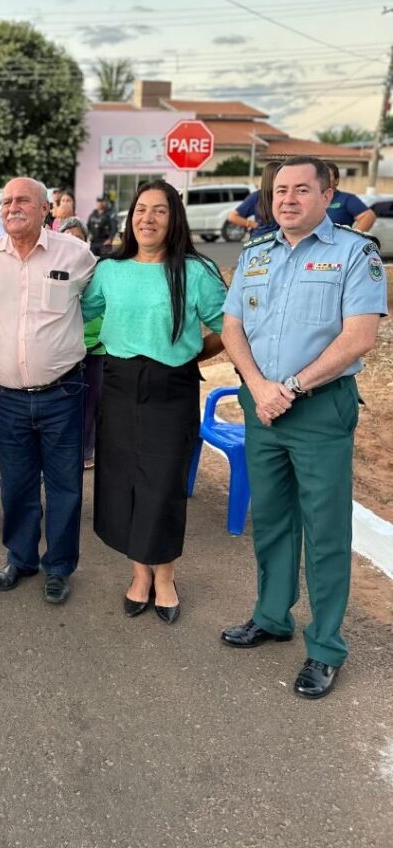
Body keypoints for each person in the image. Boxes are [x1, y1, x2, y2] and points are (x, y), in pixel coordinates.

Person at [221, 155, 387, 698]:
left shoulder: (354, 253)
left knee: (325, 530)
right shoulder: (256, 253)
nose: (286, 199)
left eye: (300, 189)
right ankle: (272, 617)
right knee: (270, 520)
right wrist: (259, 387)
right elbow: (232, 328)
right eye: (279, 191)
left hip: (316, 410)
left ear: (327, 193)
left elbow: (360, 336)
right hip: (262, 406)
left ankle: (325, 647)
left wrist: (290, 387)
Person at [81, 180, 227, 625]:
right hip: (120, 383)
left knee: (162, 484)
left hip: (171, 388)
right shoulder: (110, 270)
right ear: (130, 218)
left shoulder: (196, 271)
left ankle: (165, 578)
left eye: (159, 211)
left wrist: (190, 354)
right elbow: (81, 315)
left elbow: (227, 326)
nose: (147, 218)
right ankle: (139, 574)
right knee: (123, 480)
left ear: (173, 218)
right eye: (141, 209)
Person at [0, 177, 96, 604]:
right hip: (9, 395)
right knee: (16, 483)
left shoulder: (76, 256)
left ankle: (59, 566)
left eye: (22, 200)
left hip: (62, 392)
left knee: (64, 485)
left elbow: (95, 306)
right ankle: (20, 559)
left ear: (45, 209)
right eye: (6, 201)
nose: (12, 207)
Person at [58, 216, 104, 470]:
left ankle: (87, 450)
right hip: (64, 348)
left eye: (79, 238)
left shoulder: (96, 268)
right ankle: (65, 448)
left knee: (91, 401)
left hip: (95, 347)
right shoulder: (52, 267)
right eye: (69, 237)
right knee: (65, 401)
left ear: (87, 242)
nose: (74, 242)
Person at [227, 161, 282, 238]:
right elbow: (232, 216)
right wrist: (250, 223)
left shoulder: (285, 196)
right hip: (261, 241)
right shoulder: (257, 197)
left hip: (281, 241)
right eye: (280, 176)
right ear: (270, 177)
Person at [325, 162, 376, 232]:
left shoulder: (346, 199)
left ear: (336, 180)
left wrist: (353, 237)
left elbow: (368, 216)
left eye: (327, 176)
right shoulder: (310, 199)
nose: (323, 179)